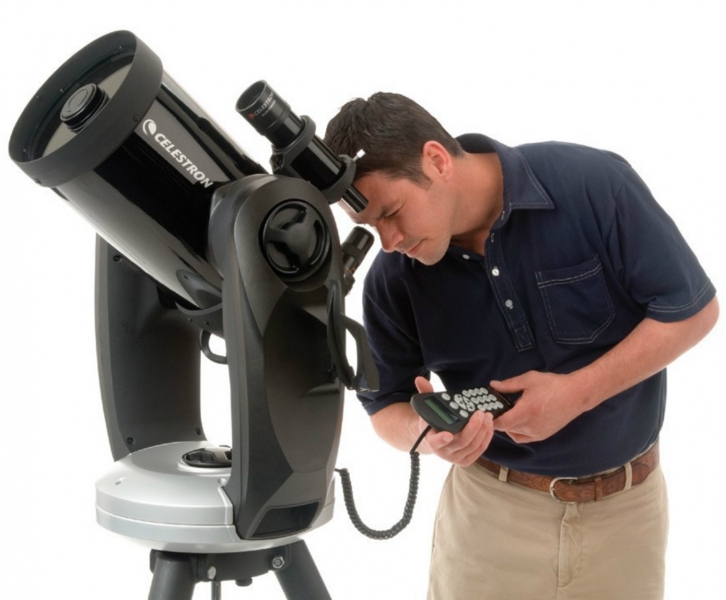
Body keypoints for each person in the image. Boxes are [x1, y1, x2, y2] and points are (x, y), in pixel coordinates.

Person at [323, 92, 719, 600]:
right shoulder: (393, 277)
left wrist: (576, 393)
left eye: (392, 212)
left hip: (627, 518)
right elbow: (384, 406)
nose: (388, 240)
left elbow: (692, 309)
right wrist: (427, 435)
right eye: (369, 227)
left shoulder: (592, 184)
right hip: (487, 522)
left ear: (437, 160)